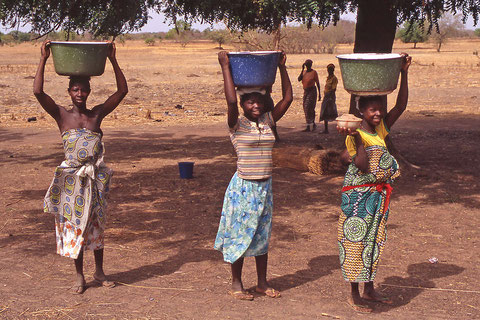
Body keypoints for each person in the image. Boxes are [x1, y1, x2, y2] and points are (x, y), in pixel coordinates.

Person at [34, 41, 128, 294]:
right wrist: (43, 59)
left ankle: (99, 271)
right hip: (72, 181)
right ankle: (79, 276)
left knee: (96, 225)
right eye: (75, 89)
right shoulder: (62, 116)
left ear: (88, 92)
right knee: (76, 226)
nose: (79, 93)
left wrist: (112, 59)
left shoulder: (96, 116)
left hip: (94, 180)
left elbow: (122, 91)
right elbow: (38, 93)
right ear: (69, 92)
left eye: (83, 90)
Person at [214, 51, 293, 300]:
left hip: (264, 187)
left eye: (258, 101)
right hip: (243, 187)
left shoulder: (268, 121)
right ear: (242, 104)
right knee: (239, 235)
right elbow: (229, 101)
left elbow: (288, 99)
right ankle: (236, 283)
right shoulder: (236, 124)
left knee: (262, 235)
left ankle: (261, 283)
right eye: (249, 101)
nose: (255, 105)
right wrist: (226, 67)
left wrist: (281, 68)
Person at [336, 54, 411, 313]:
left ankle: (369, 290)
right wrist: (357, 139)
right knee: (355, 241)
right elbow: (361, 165)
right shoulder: (355, 133)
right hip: (358, 196)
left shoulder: (380, 129)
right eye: (372, 109)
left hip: (377, 196)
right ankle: (354, 294)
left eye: (380, 108)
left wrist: (403, 73)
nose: (378, 113)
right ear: (361, 112)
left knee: (373, 241)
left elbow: (400, 106)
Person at [298, 59, 321, 132]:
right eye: (306, 64)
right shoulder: (304, 72)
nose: (307, 66)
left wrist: (319, 94)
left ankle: (312, 124)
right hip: (306, 91)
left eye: (308, 64)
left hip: (312, 91)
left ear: (311, 65)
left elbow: (317, 83)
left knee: (309, 107)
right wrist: (302, 70)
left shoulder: (314, 72)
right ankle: (309, 125)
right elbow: (299, 79)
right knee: (305, 107)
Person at [319, 64, 338, 133]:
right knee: (325, 112)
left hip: (330, 96)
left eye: (330, 70)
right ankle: (326, 129)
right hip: (326, 96)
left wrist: (330, 98)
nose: (329, 71)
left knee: (331, 111)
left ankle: (338, 127)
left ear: (333, 70)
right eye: (328, 70)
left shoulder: (334, 78)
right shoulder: (328, 78)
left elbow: (333, 89)